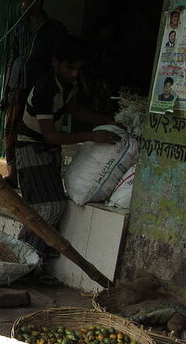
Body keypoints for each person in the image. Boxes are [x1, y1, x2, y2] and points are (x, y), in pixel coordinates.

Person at [13, 35, 118, 256]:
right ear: (56, 63)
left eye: (78, 68)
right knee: (50, 207)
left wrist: (104, 121)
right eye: (70, 68)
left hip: (48, 151)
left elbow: (74, 109)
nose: (74, 74)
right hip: (31, 149)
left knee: (47, 207)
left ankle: (31, 259)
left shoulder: (68, 85)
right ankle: (20, 254)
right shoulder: (45, 88)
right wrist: (91, 136)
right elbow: (50, 136)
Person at [2, 0, 67, 187]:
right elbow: (12, 57)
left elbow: (58, 60)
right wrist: (6, 89)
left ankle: (33, 174)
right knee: (11, 129)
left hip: (38, 87)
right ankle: (12, 174)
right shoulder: (18, 26)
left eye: (24, 0)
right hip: (17, 84)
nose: (21, 4)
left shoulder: (54, 29)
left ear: (37, 1)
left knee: (35, 133)